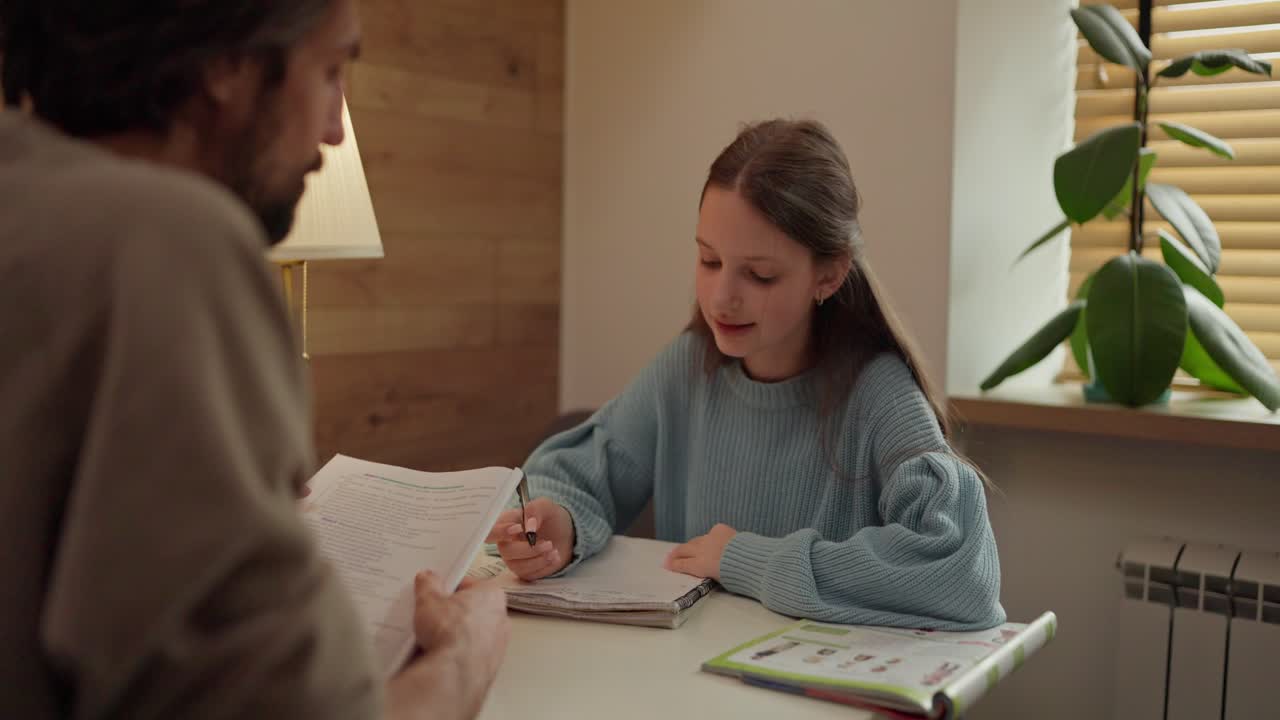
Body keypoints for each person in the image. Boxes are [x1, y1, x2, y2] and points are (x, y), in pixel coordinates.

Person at [0, 2, 507, 718]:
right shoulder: (170, 243)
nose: (335, 130)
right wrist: (464, 659)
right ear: (226, 65)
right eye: (331, 72)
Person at [487, 118, 1005, 630]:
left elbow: (961, 572)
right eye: (709, 261)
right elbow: (577, 473)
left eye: (759, 274)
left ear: (829, 273)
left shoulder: (879, 394)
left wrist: (744, 559)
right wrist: (561, 524)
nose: (721, 298)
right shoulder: (688, 367)